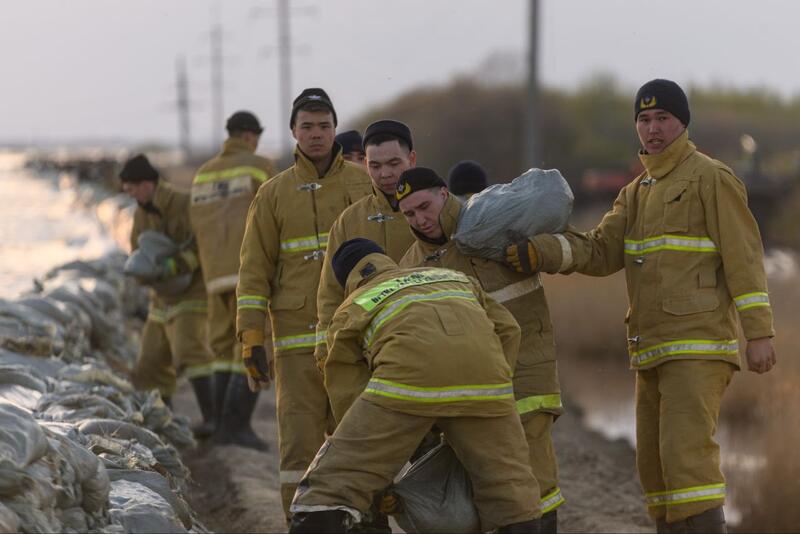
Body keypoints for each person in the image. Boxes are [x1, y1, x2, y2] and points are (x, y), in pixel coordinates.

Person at [506, 79, 777, 533]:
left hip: (699, 346)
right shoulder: (637, 192)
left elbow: (745, 259)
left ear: (682, 122)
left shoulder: (712, 178)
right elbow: (598, 251)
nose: (652, 129)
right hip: (650, 348)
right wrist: (542, 252)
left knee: (687, 464)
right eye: (644, 119)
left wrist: (760, 334)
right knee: (655, 471)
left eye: (662, 118)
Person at [288, 238, 542, 534]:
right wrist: (493, 383)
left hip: (407, 385)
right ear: (386, 260)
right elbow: (509, 329)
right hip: (488, 383)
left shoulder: (354, 304)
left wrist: (379, 444)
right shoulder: (454, 278)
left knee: (330, 485)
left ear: (348, 279)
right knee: (510, 488)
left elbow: (346, 384)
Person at [396, 167, 565, 532]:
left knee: (536, 475)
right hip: (470, 390)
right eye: (409, 214)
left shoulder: (488, 223)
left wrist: (538, 252)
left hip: (526, 372)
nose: (420, 220)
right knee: (491, 483)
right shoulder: (410, 266)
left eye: (425, 206)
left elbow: (573, 240)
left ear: (444, 194)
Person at [236, 88, 373, 517]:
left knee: (358, 435)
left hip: (356, 337)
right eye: (308, 126)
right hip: (295, 344)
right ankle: (302, 521)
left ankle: (364, 522)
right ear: (294, 131)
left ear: (335, 129)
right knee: (299, 443)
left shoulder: (363, 184)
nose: (317, 134)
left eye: (325, 126)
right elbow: (253, 271)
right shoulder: (273, 195)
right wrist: (251, 337)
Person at [189, 110, 273, 449]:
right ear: (251, 136)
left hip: (213, 273)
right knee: (255, 340)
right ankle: (237, 426)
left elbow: (196, 224)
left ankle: (218, 423)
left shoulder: (202, 174)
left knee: (222, 346)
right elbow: (274, 213)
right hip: (247, 270)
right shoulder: (259, 166)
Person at [121, 153, 215, 433]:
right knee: (149, 363)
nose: (131, 196)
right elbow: (136, 249)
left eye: (132, 189)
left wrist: (175, 265)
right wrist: (140, 270)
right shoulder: (140, 214)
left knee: (189, 351)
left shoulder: (185, 203)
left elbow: (204, 242)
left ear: (148, 183)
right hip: (160, 297)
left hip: (192, 293)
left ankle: (213, 419)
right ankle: (166, 422)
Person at [315, 119, 418, 370]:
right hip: (367, 353)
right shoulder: (349, 221)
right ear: (365, 165)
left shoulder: (437, 210)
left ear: (412, 159)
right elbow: (330, 295)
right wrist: (324, 351)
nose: (385, 174)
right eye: (375, 165)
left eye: (394, 163)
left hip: (428, 341)